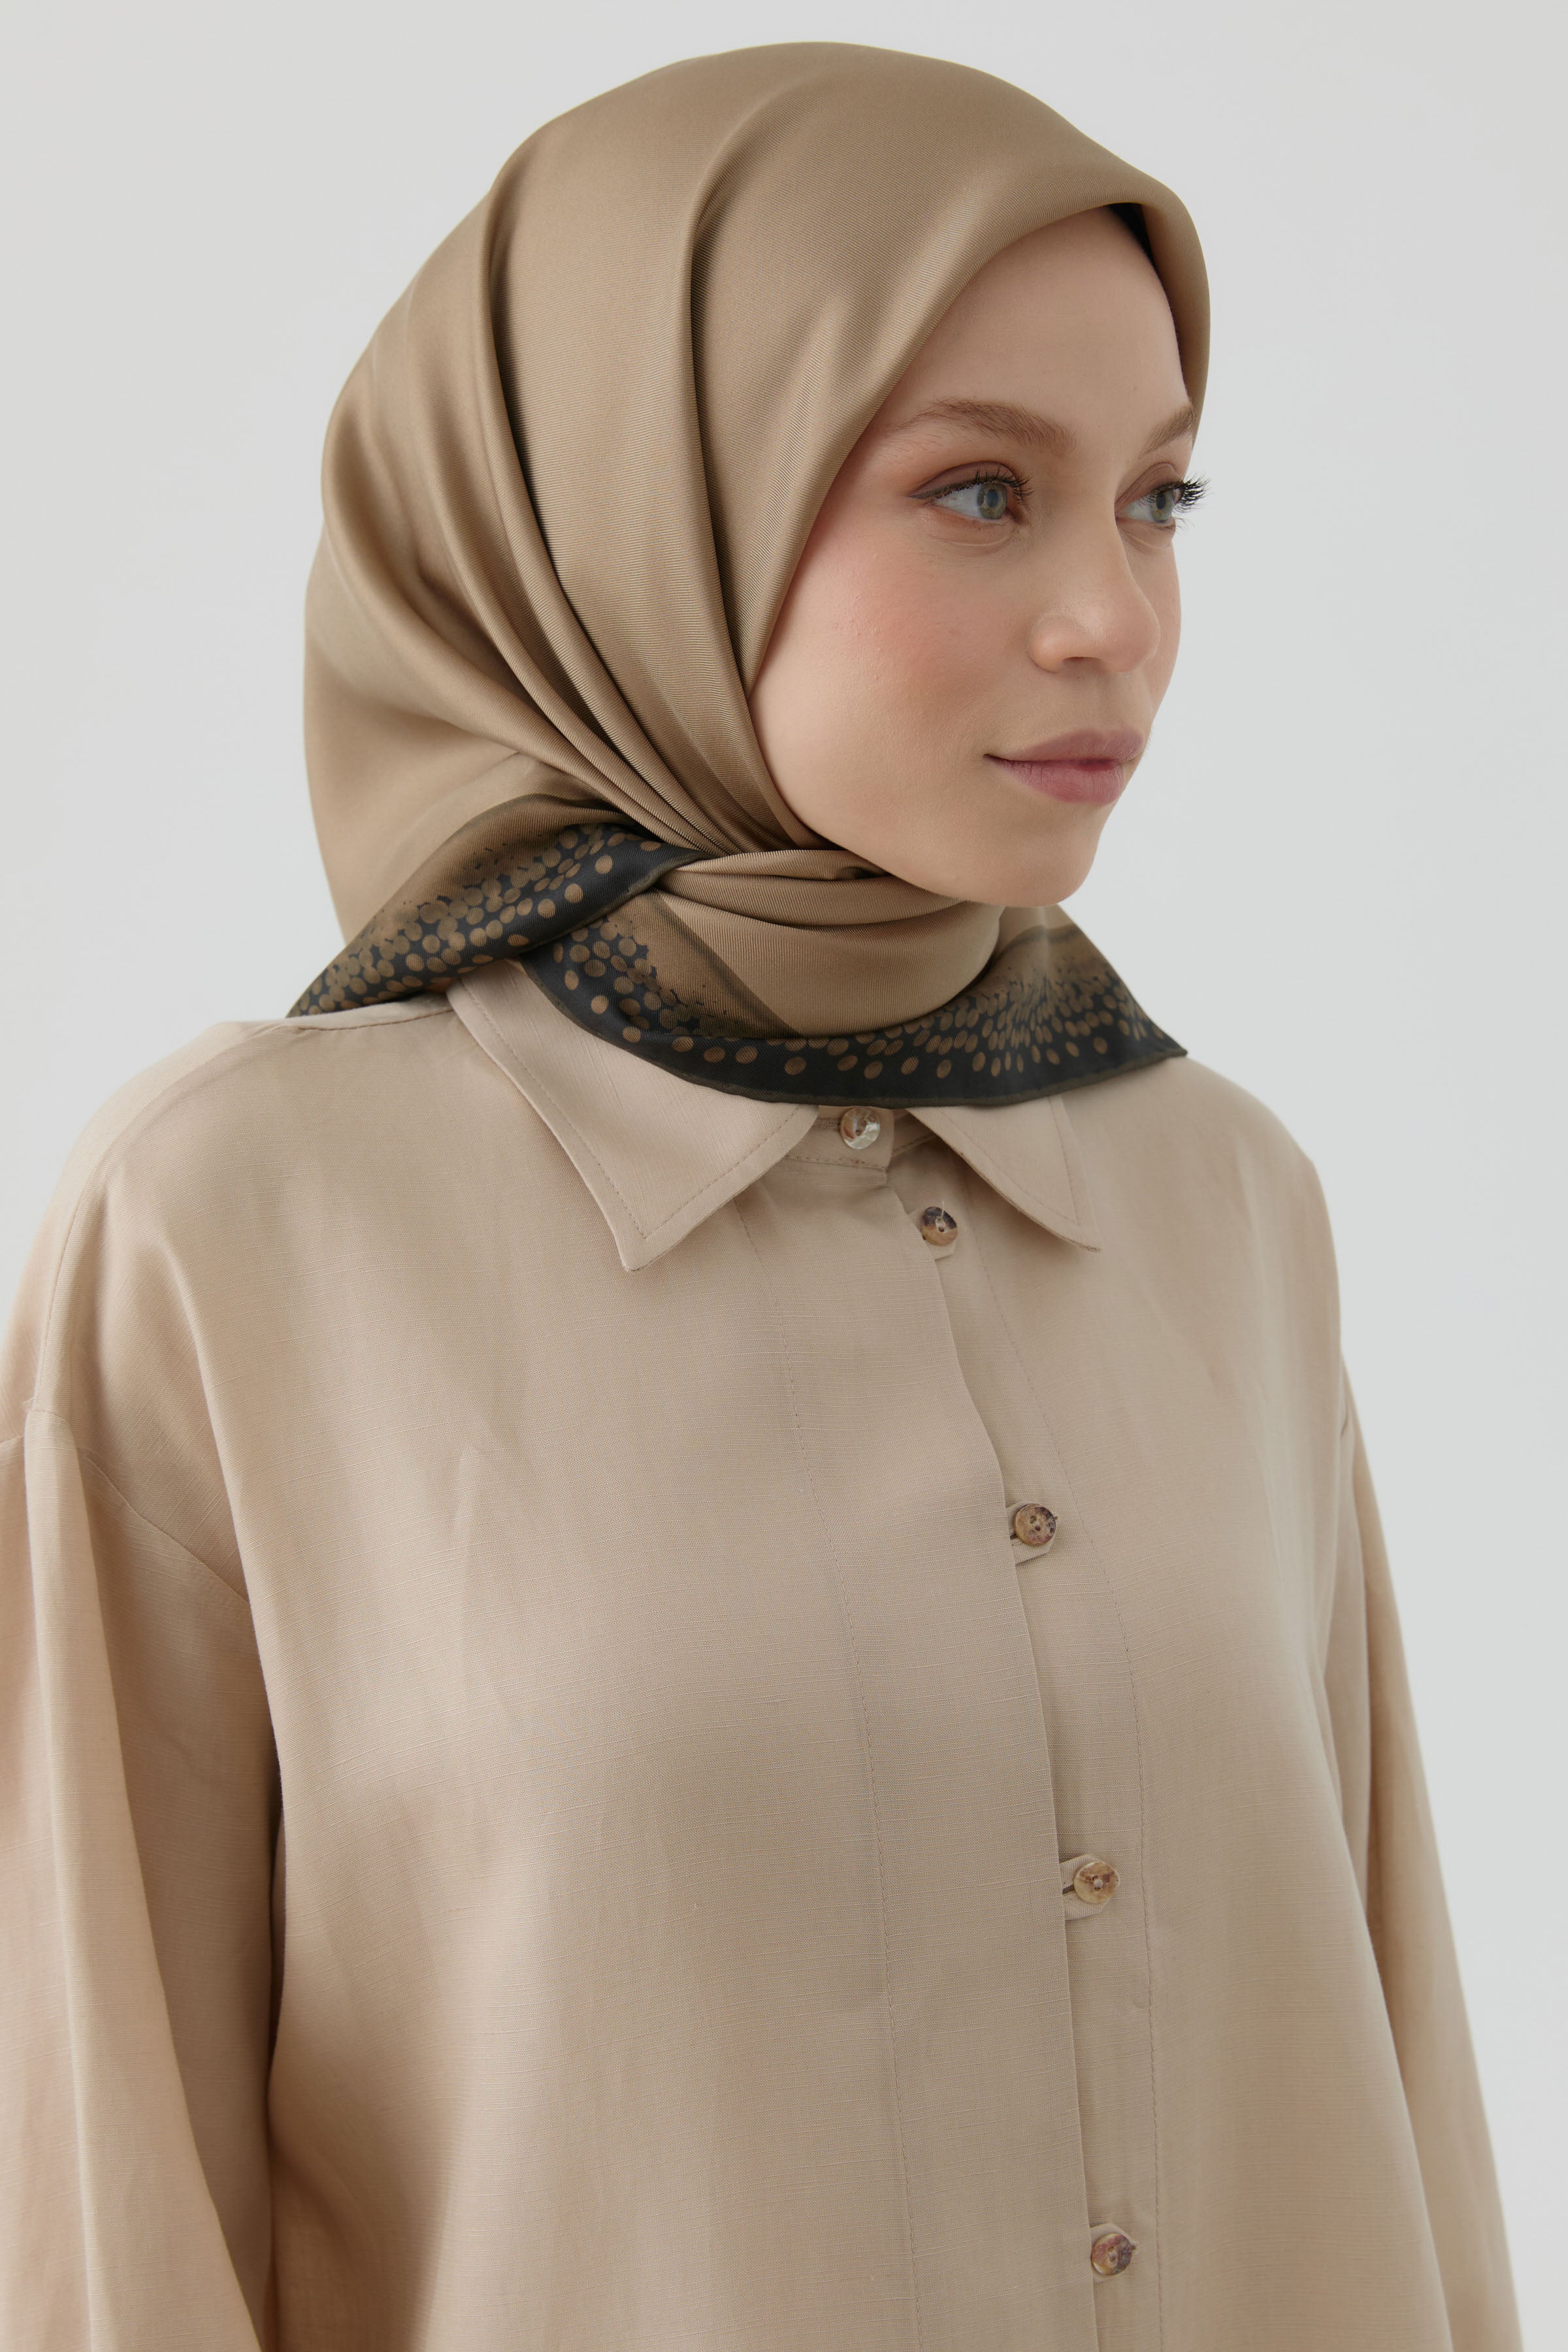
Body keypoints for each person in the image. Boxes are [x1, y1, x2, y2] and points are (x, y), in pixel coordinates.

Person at [0, 41, 1520, 2352]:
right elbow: (94, 2217)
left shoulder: (1219, 1197)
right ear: (646, 496)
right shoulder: (237, 1231)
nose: (1112, 616)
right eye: (982, 492)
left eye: (1160, 500)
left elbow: (1390, 2081)